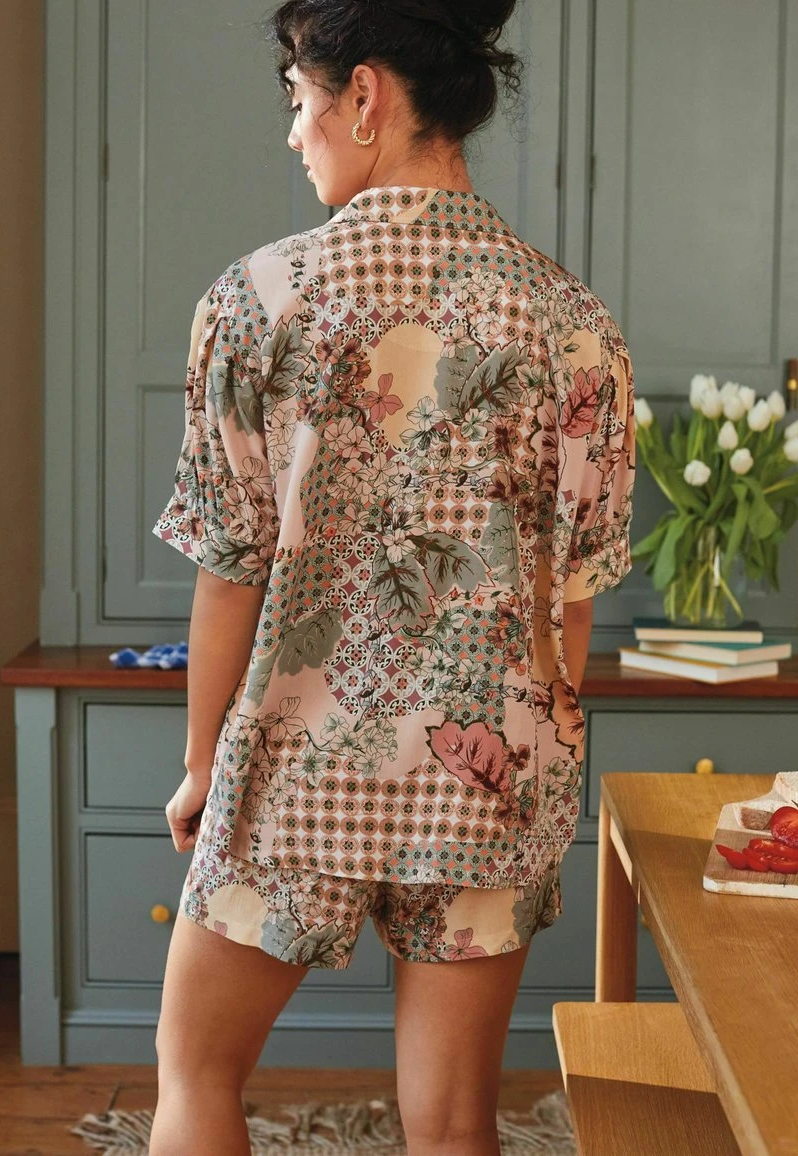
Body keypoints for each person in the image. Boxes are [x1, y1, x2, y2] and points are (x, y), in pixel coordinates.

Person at [148, 1, 636, 1153]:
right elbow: (570, 598)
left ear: (362, 95)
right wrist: (531, 760)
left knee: (196, 1072)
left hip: (295, 766)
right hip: (487, 778)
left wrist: (202, 764)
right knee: (454, 1121)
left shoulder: (258, 300)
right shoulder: (572, 321)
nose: (292, 133)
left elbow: (230, 570)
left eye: (297, 100)